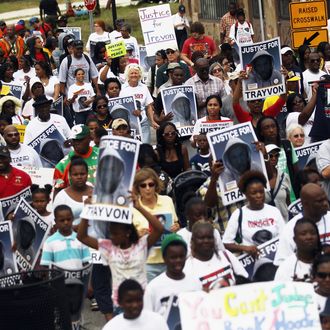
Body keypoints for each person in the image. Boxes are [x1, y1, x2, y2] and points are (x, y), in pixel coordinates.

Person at [77, 192, 164, 310]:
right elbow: (82, 237)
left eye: (115, 234)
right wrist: (86, 211)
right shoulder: (109, 248)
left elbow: (159, 229)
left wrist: (139, 207)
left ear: (127, 232)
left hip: (143, 302)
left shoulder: (141, 245)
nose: (111, 236)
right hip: (120, 305)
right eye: (110, 233)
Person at [223, 170, 285, 257]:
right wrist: (245, 248)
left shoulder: (274, 211)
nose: (259, 195)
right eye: (254, 193)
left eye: (261, 191)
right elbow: (226, 243)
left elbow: (284, 237)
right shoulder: (238, 214)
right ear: (245, 194)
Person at [132, 168, 180, 281]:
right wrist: (137, 234)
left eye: (151, 184)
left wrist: (176, 227)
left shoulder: (167, 200)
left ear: (156, 185)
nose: (147, 189)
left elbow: (176, 222)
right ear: (138, 188)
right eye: (143, 185)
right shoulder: (133, 207)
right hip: (146, 262)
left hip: (169, 258)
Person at [143, 233, 202, 318]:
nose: (178, 260)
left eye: (181, 256)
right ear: (164, 258)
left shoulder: (195, 282)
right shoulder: (153, 288)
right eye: (173, 257)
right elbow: (148, 319)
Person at [274, 183, 330, 265]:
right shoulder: (291, 228)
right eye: (320, 201)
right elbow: (281, 263)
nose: (325, 204)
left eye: (325, 199)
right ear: (305, 204)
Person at [184, 221, 248, 289]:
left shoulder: (226, 255)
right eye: (201, 238)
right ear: (193, 240)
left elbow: (245, 281)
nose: (206, 241)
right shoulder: (188, 267)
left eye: (209, 237)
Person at [102, 279, 169, 330]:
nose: (135, 305)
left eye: (139, 300)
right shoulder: (111, 327)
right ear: (120, 302)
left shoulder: (157, 321)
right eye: (129, 301)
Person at [40, 205, 90, 270]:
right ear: (55, 221)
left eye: (68, 219)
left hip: (78, 279)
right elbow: (45, 266)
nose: (66, 222)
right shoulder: (49, 242)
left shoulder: (81, 239)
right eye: (62, 220)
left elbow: (86, 263)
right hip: (59, 279)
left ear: (72, 219)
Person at [119, 63, 158, 143]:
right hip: (128, 124)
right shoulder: (122, 88)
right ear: (127, 75)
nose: (134, 75)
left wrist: (152, 121)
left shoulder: (144, 87)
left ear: (140, 75)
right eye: (131, 73)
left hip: (143, 122)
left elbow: (149, 106)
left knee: (145, 147)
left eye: (136, 73)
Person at [53, 124, 98, 192]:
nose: (76, 143)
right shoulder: (62, 166)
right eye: (74, 140)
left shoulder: (102, 154)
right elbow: (57, 192)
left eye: (80, 139)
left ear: (89, 138)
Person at [53, 157, 93, 226]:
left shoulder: (95, 192)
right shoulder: (62, 197)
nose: (79, 177)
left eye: (82, 174)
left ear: (87, 174)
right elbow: (56, 224)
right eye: (75, 174)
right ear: (70, 176)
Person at [264, 144, 290, 221]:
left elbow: (288, 201)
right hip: (267, 223)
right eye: (270, 156)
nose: (274, 158)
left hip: (284, 221)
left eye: (276, 155)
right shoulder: (259, 178)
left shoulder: (284, 176)